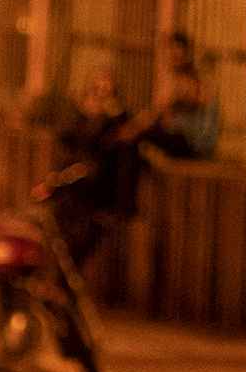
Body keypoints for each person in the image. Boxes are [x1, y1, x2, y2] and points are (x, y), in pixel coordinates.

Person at [51, 32, 223, 251]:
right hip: (174, 138)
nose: (171, 58)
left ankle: (124, 205)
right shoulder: (81, 115)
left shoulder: (189, 79)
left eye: (175, 53)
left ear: (185, 53)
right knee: (126, 143)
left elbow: (158, 112)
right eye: (169, 53)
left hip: (195, 143)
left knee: (132, 137)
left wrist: (130, 126)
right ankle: (120, 202)